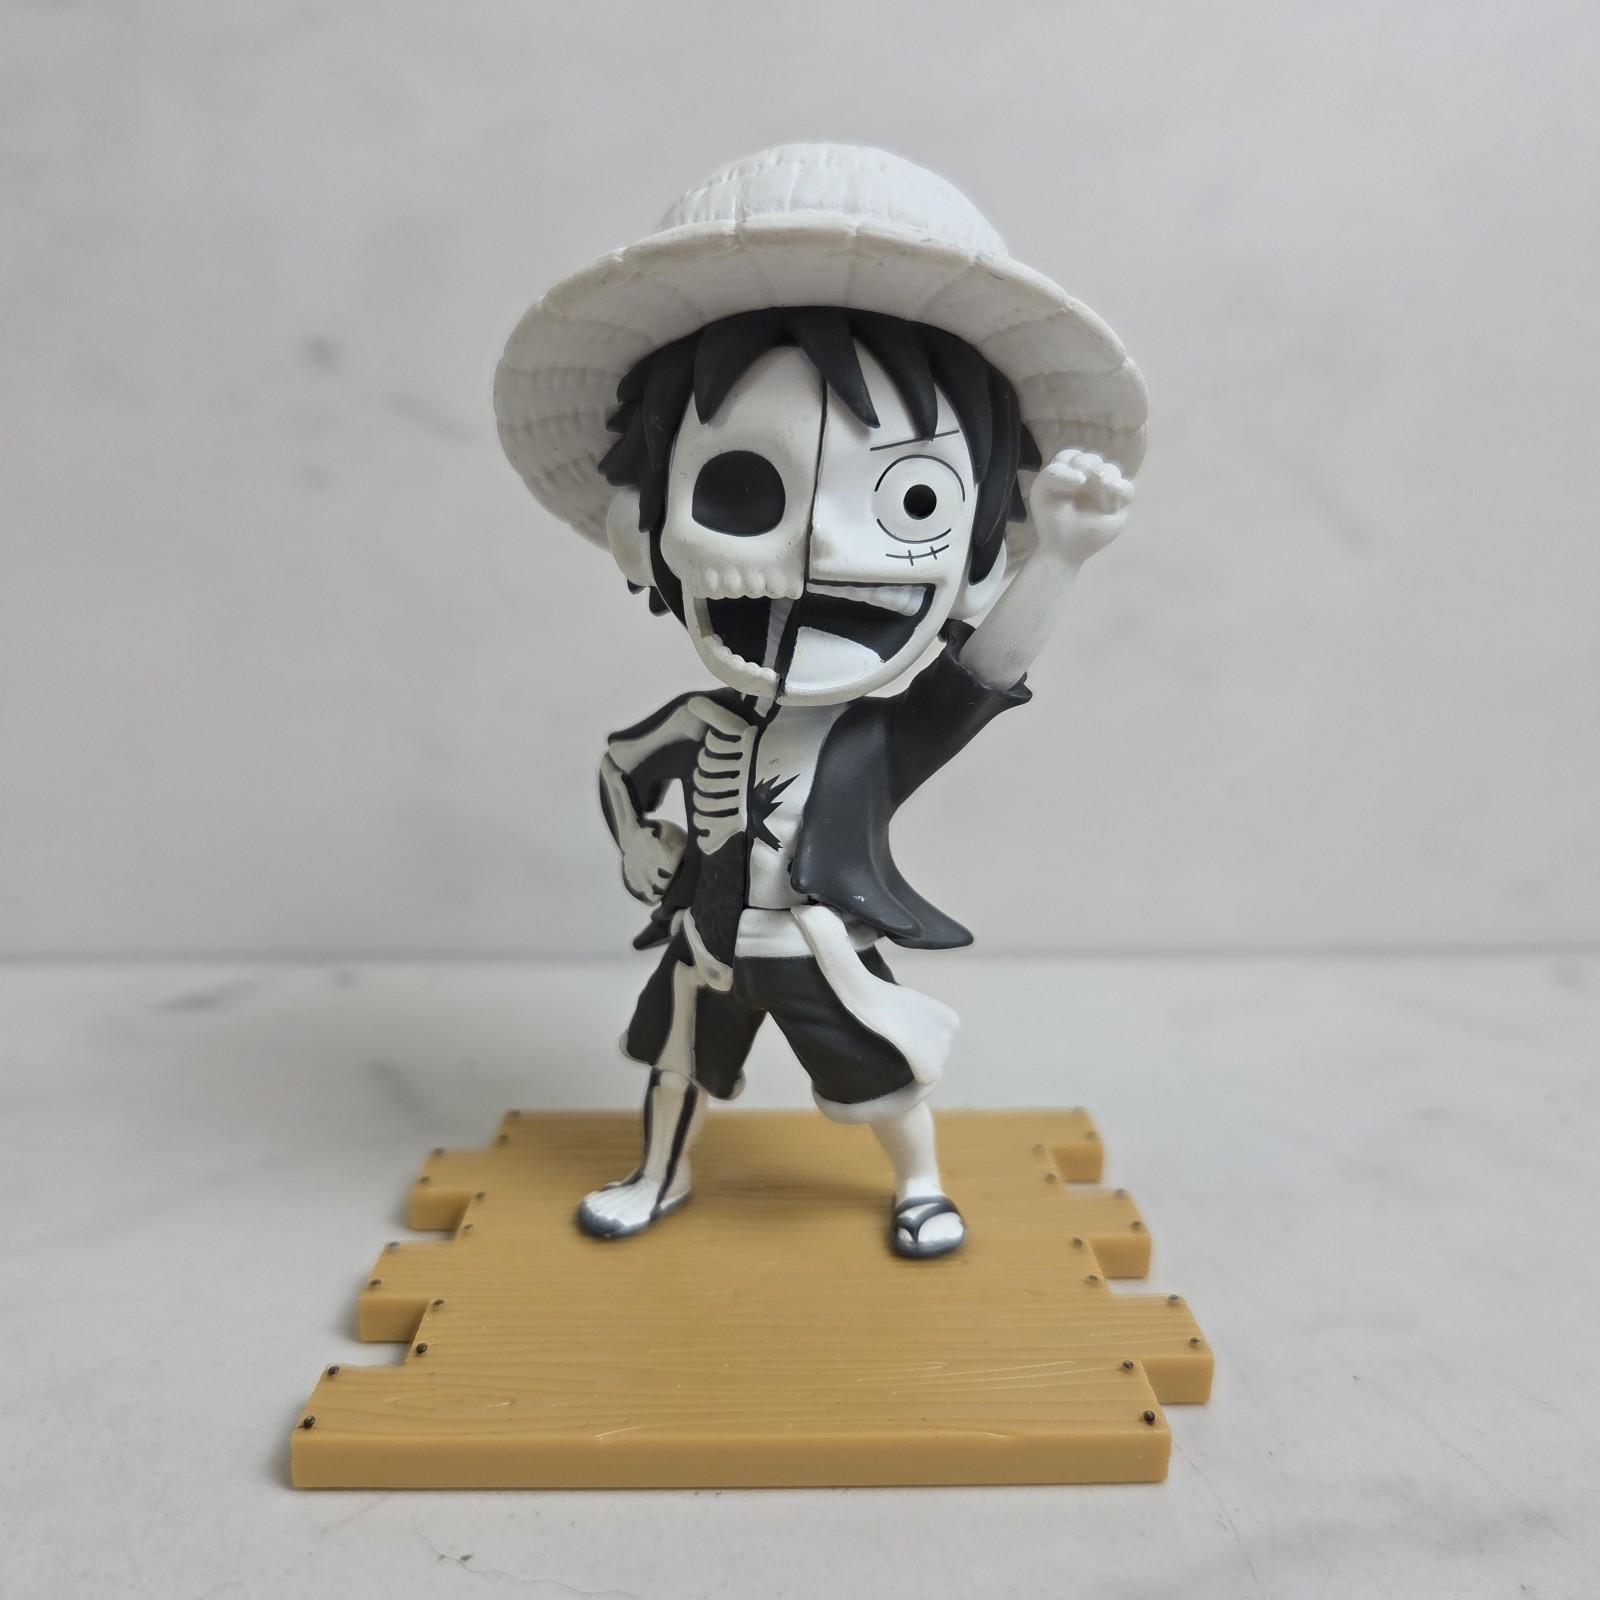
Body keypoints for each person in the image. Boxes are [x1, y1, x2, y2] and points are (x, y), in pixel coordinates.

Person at [494, 145, 1146, 1258]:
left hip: (812, 946)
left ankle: (921, 1186)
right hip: (705, 938)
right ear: (637, 530)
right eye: (739, 486)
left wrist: (1061, 561)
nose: (820, 551)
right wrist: (640, 844)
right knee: (675, 1066)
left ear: (979, 555)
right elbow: (619, 769)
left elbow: (982, 674)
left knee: (880, 1078)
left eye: (913, 498)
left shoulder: (873, 738)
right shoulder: (696, 724)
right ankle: (656, 1175)